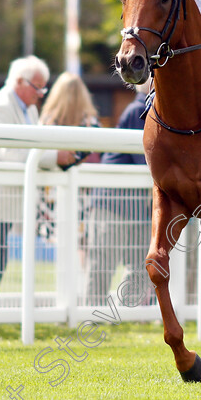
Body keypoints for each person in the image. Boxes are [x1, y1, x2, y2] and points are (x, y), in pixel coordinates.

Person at [0, 56, 76, 308]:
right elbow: (12, 154)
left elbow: (30, 150)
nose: (40, 94)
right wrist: (53, 156)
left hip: (1, 199)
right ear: (18, 82)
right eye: (37, 87)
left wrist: (52, 155)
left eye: (43, 88)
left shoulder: (28, 108)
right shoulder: (1, 106)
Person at [84, 82, 151, 305]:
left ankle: (128, 311)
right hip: (112, 203)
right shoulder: (138, 110)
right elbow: (149, 161)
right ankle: (91, 314)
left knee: (140, 264)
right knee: (103, 262)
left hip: (135, 205)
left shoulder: (145, 109)